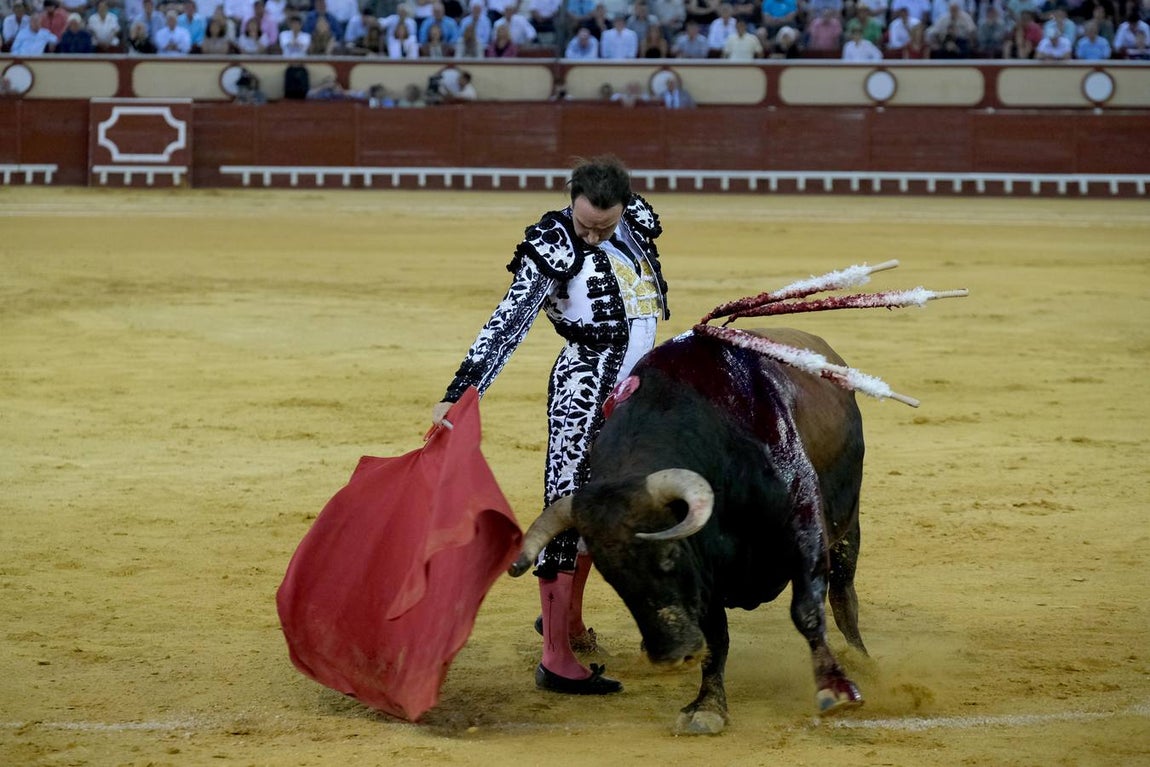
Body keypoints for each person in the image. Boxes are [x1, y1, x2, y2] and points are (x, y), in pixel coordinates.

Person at [430, 156, 668, 696]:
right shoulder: (554, 242)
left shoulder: (637, 223)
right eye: (584, 222)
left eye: (604, 226)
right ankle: (555, 658)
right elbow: (508, 322)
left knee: (609, 506)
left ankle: (571, 622)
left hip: (639, 390)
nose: (590, 234)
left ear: (624, 208)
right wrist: (462, 392)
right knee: (567, 507)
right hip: (583, 387)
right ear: (572, 199)